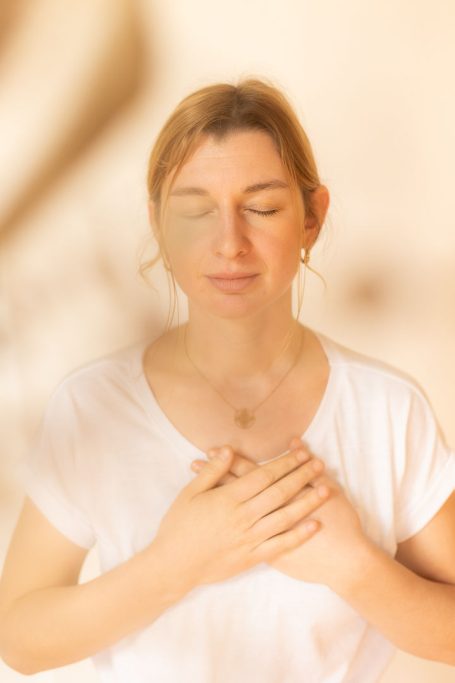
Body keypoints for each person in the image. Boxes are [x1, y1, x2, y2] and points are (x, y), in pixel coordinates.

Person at [1, 78, 455, 683]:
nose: (229, 244)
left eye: (262, 209)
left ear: (313, 217)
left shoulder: (386, 411)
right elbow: (19, 640)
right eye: (195, 212)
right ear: (159, 225)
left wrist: (353, 568)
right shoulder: (95, 406)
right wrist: (173, 565)